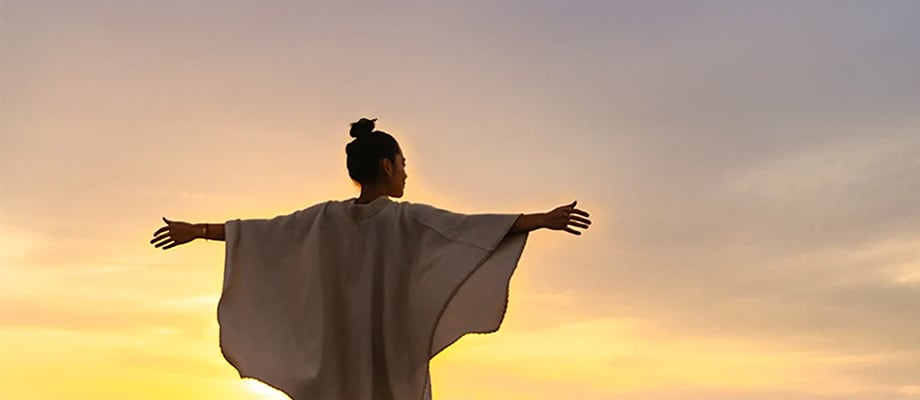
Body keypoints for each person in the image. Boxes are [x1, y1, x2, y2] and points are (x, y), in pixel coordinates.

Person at [150, 118, 592, 400]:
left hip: (337, 363)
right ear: (385, 166)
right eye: (402, 163)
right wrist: (541, 220)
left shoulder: (322, 220)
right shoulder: (410, 221)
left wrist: (199, 230)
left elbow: (263, 234)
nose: (405, 171)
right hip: (389, 360)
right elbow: (474, 229)